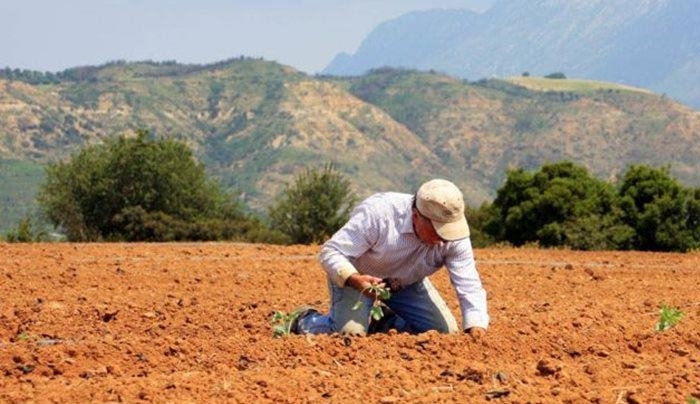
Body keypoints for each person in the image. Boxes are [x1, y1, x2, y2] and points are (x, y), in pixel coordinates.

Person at [286, 178, 489, 338]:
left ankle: (383, 322)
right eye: (437, 230)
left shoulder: (454, 236)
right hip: (358, 280)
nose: (444, 238)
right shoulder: (380, 215)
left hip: (405, 284)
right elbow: (330, 252)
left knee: (443, 333)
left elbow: (468, 283)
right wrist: (355, 280)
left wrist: (476, 325)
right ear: (417, 216)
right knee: (349, 335)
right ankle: (304, 320)